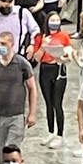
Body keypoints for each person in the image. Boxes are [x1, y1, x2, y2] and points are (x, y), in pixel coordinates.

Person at [0, 31, 38, 164]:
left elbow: (32, 88)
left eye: (3, 43)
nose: (0, 46)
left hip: (16, 115)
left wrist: (32, 113)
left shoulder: (21, 63)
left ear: (11, 44)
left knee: (12, 150)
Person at [33, 12, 72, 147]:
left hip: (59, 69)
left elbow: (69, 55)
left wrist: (63, 57)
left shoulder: (64, 36)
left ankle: (60, 134)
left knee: (57, 103)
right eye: (52, 19)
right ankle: (50, 131)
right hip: (45, 70)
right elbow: (36, 58)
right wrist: (43, 45)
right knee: (48, 103)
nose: (55, 22)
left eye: (57, 20)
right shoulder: (40, 37)